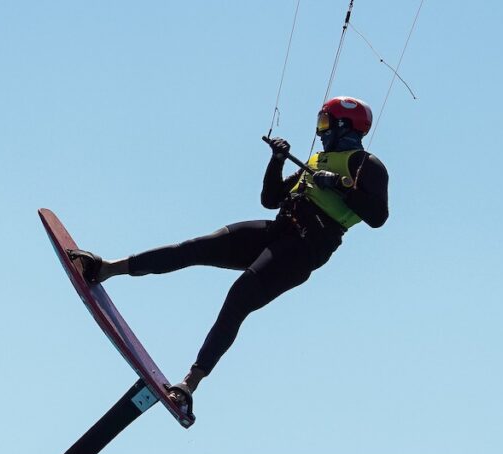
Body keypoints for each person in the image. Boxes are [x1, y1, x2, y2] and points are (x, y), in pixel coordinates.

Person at [69, 96, 389, 417]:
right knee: (196, 247)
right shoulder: (318, 160)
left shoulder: (365, 164)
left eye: (325, 123)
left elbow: (378, 216)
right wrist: (277, 160)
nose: (319, 132)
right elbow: (270, 199)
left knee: (239, 297)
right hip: (278, 230)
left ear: (344, 126)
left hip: (302, 250)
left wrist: (339, 186)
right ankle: (107, 268)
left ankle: (189, 384)